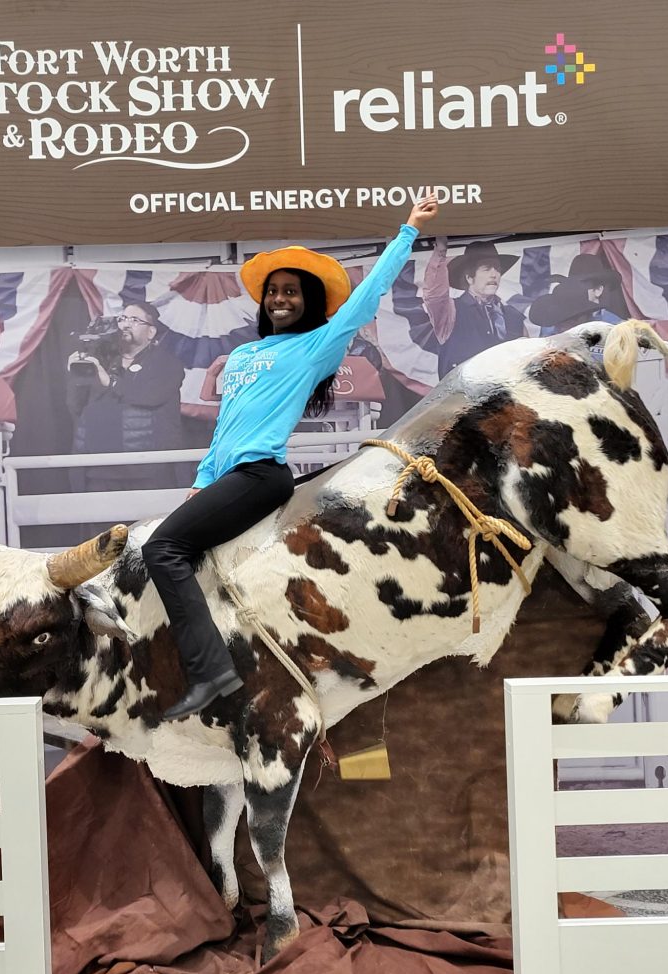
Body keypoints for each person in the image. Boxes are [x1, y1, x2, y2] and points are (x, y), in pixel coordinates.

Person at [142, 191, 441, 721]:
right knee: (183, 557)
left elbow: (367, 297)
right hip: (229, 476)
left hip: (261, 477)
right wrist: (201, 479)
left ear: (308, 302)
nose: (281, 298)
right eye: (274, 291)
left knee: (162, 548)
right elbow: (225, 426)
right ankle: (232, 665)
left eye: (292, 292)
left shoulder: (315, 347)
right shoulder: (242, 354)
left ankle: (211, 673)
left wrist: (408, 231)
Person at [67, 301, 186, 497]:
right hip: (98, 472)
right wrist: (76, 377)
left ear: (151, 332)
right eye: (122, 319)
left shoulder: (166, 363)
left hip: (147, 473)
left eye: (134, 320)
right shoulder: (100, 361)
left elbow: (150, 396)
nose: (126, 324)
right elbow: (76, 407)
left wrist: (110, 381)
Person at [422, 237, 525, 379]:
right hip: (462, 399)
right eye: (486, 269)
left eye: (497, 269)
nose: (494, 274)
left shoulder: (514, 316)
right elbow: (434, 293)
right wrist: (440, 251)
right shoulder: (451, 311)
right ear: (469, 278)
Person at [531, 252, 626, 334]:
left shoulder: (615, 326)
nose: (578, 289)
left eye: (584, 285)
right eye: (574, 285)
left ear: (598, 290)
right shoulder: (551, 319)